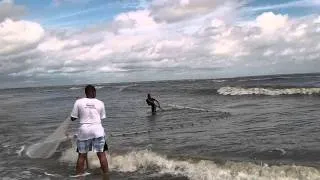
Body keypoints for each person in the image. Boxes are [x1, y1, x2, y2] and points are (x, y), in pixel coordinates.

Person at [70, 85, 109, 178]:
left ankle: (79, 177)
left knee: (81, 156)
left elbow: (73, 118)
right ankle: (106, 176)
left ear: (85, 93)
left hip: (84, 132)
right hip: (98, 131)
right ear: (95, 92)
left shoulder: (78, 102)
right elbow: (101, 117)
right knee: (101, 155)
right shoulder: (101, 103)